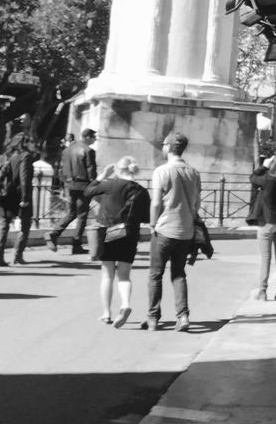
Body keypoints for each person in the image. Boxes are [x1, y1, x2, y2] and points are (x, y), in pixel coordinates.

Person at [144, 131, 201, 332]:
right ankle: (183, 315)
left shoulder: (162, 171)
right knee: (178, 274)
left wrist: (152, 223)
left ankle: (153, 317)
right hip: (185, 230)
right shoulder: (194, 173)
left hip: (165, 228)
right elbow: (196, 205)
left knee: (155, 274)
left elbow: (156, 202)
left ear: (168, 147)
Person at [84, 157, 151, 327]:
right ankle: (125, 305)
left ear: (118, 170)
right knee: (124, 275)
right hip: (129, 234)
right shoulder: (142, 191)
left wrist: (102, 175)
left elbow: (88, 191)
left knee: (107, 275)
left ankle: (106, 314)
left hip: (108, 233)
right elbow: (146, 217)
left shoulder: (110, 185)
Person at [47, 128, 97, 255]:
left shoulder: (67, 150)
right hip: (83, 185)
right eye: (93, 137)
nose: (95, 140)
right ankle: (76, 244)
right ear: (87, 137)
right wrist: (94, 185)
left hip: (69, 185)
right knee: (82, 215)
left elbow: (63, 168)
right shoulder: (88, 151)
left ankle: (54, 233)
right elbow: (91, 171)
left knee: (72, 212)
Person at [249, 154, 276, 301]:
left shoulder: (267, 180)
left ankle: (262, 291)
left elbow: (253, 178)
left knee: (265, 258)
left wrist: (264, 166)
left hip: (267, 222)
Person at [0, 134, 39, 267]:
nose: (34, 144)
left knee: (2, 225)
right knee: (25, 225)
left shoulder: (7, 155)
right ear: (24, 143)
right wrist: (25, 199)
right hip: (18, 196)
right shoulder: (25, 156)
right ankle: (18, 256)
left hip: (3, 195)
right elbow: (24, 179)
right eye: (32, 141)